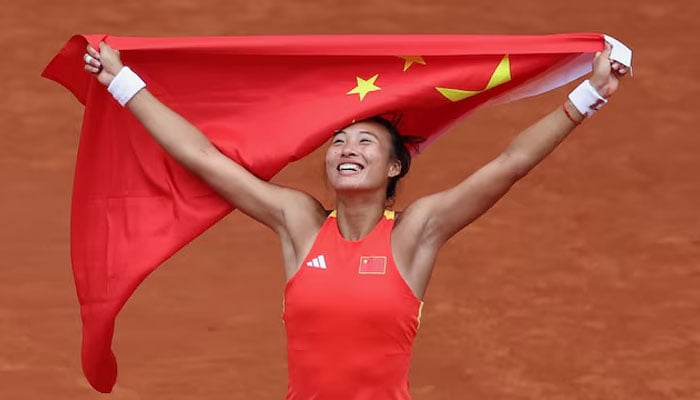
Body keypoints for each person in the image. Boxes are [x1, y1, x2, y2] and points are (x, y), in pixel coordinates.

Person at [83, 41, 627, 399]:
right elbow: (203, 158)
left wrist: (587, 96)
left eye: (365, 141)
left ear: (394, 166)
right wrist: (122, 82)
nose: (347, 147)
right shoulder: (298, 221)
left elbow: (509, 165)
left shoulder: (417, 232)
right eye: (339, 140)